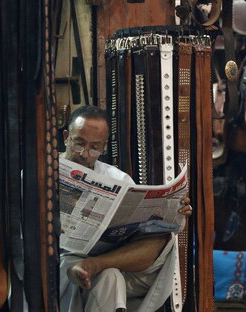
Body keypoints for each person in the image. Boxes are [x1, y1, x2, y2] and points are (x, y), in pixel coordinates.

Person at [59, 105, 192, 312]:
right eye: (79, 143)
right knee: (111, 276)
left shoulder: (118, 179)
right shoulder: (43, 172)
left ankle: (95, 264)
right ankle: (94, 265)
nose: (85, 154)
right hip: (63, 260)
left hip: (111, 257)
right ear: (66, 137)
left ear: (103, 147)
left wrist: (174, 211)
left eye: (94, 147)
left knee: (162, 235)